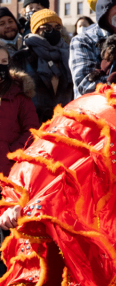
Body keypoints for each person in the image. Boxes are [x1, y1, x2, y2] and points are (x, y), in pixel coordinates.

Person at [15, 10, 73, 122]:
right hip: (34, 126)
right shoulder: (21, 58)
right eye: (46, 27)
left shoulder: (68, 55)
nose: (53, 31)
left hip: (65, 125)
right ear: (36, 30)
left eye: (57, 28)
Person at [0, 45, 39, 176]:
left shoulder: (19, 94)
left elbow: (31, 130)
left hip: (11, 171)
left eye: (4, 62)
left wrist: (11, 153)